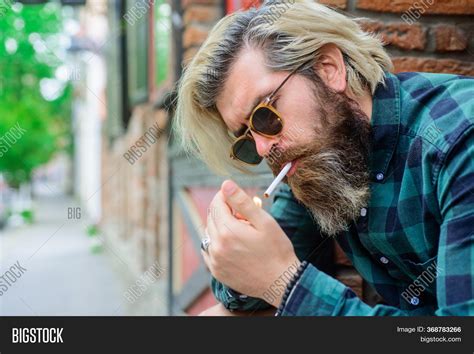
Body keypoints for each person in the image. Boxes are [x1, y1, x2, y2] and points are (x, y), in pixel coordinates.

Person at [173, 0, 474, 316]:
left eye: (263, 115)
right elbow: (249, 290)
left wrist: (283, 283)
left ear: (328, 69)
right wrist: (230, 252)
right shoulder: (321, 156)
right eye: (246, 139)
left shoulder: (458, 141)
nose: (262, 149)